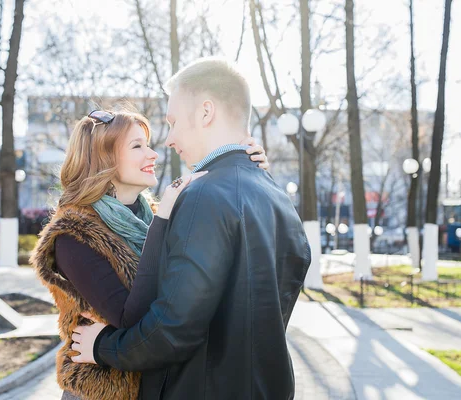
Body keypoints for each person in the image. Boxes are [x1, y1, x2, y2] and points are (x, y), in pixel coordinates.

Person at [70, 58, 311, 400]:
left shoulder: (202, 196)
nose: (168, 139)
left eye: (173, 122)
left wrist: (103, 347)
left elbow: (173, 330)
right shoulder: (276, 195)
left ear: (205, 112)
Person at [30, 107, 269, 400]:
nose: (153, 154)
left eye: (148, 144)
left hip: (159, 383)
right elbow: (132, 317)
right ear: (103, 159)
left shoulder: (155, 216)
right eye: (137, 146)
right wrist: (163, 220)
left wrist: (250, 171)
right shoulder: (73, 234)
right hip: (103, 392)